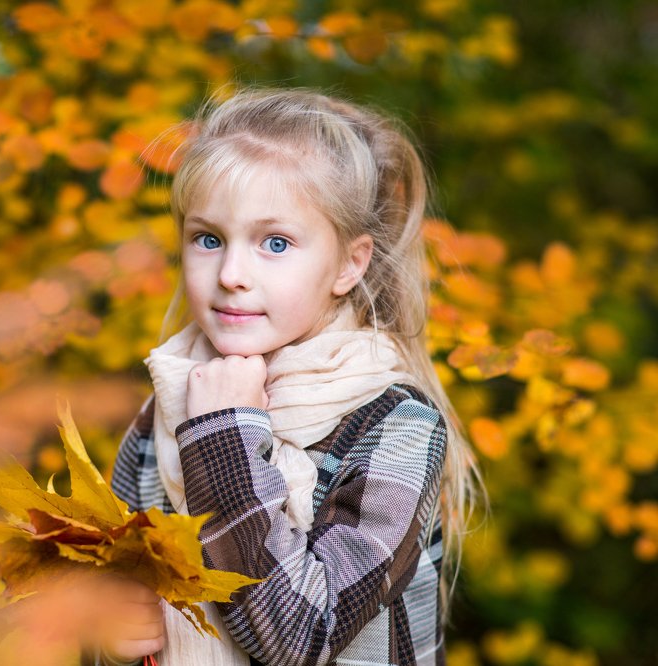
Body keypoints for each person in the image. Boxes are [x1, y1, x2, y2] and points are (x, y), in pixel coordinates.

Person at [95, 89, 481, 666]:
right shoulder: (170, 400)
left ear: (349, 265)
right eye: (208, 238)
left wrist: (223, 437)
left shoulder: (396, 426)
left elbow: (302, 637)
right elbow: (110, 583)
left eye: (275, 243)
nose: (230, 274)